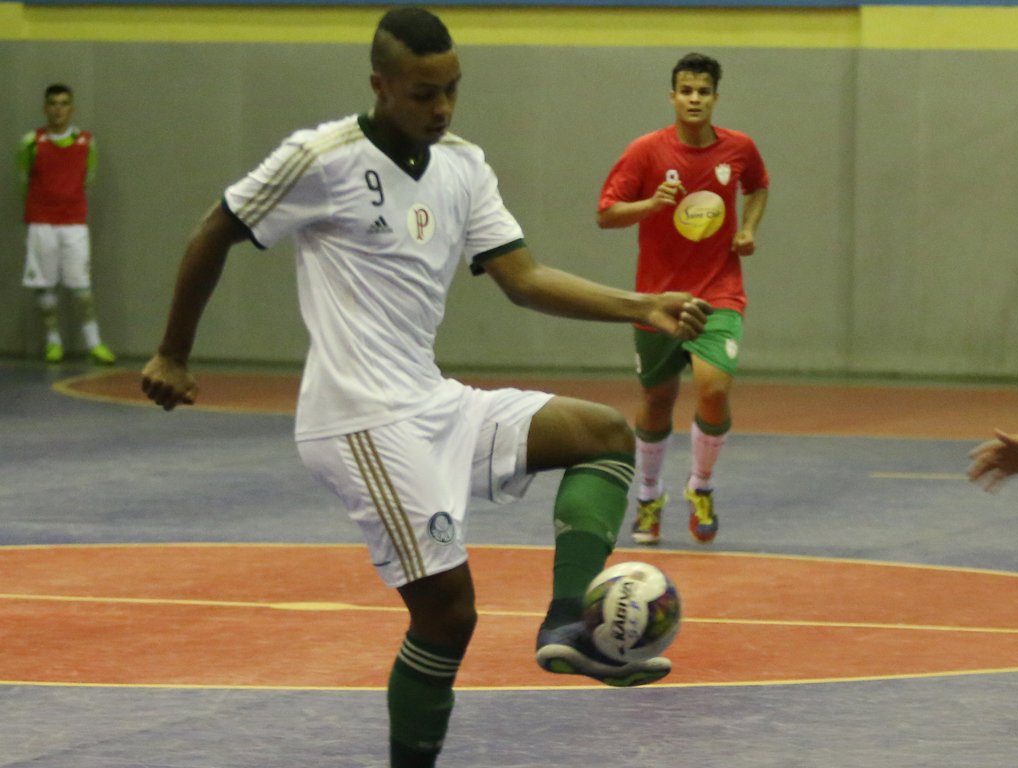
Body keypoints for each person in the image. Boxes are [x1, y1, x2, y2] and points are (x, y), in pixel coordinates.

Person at [140, 8, 710, 767]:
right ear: (380, 85)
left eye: (452, 91)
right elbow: (216, 228)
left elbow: (524, 278)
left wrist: (641, 305)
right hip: (358, 421)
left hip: (431, 401)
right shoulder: (321, 157)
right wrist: (173, 353)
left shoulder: (463, 165)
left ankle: (571, 625)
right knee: (447, 616)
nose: (440, 108)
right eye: (422, 93)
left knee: (604, 435)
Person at [596, 53, 769, 546]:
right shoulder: (646, 152)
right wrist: (650, 205)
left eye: (703, 91)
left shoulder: (739, 149)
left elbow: (758, 186)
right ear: (672, 96)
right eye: (686, 91)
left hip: (719, 292)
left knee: (713, 388)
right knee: (657, 398)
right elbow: (606, 213)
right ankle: (649, 495)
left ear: (716, 97)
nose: (694, 99)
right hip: (658, 299)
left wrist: (749, 229)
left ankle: (702, 486)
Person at [18, 83, 116, 365]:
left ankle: (94, 343)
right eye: (53, 103)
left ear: (71, 108)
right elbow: (23, 180)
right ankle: (53, 342)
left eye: (63, 103)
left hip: (73, 223)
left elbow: (89, 177)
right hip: (41, 223)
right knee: (44, 284)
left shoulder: (87, 142)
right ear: (45, 108)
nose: (58, 109)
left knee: (81, 286)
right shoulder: (31, 142)